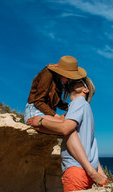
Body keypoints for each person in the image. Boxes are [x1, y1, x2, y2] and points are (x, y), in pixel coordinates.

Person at [25, 56, 107, 186]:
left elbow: (56, 102)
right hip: (36, 111)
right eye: (69, 76)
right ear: (61, 73)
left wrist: (67, 108)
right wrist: (55, 117)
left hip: (76, 170)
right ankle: (94, 172)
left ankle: (96, 173)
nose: (70, 80)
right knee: (68, 128)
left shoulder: (75, 99)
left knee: (69, 128)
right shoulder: (48, 75)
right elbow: (38, 102)